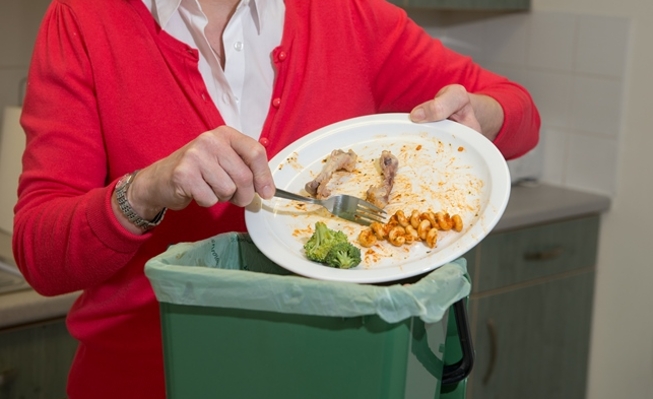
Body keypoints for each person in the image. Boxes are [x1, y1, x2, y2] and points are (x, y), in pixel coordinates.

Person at [13, 0, 540, 397]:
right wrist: (146, 189)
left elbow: (520, 113)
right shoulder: (83, 21)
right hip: (149, 382)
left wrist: (476, 117)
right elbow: (40, 255)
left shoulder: (348, 15)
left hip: (332, 376)